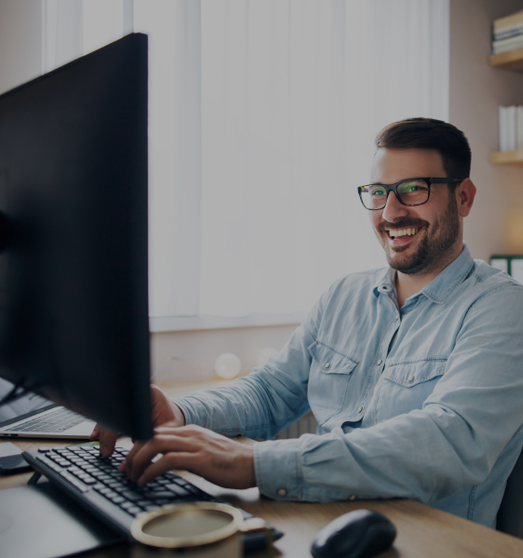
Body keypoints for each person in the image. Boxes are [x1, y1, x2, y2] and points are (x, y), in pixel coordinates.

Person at [92, 117, 523, 528]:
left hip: (431, 543)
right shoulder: (343, 296)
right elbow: (268, 394)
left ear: (463, 197)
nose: (390, 213)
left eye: (414, 189)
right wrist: (183, 411)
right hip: (316, 524)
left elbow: (451, 442)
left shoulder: (500, 308)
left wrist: (252, 464)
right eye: (378, 192)